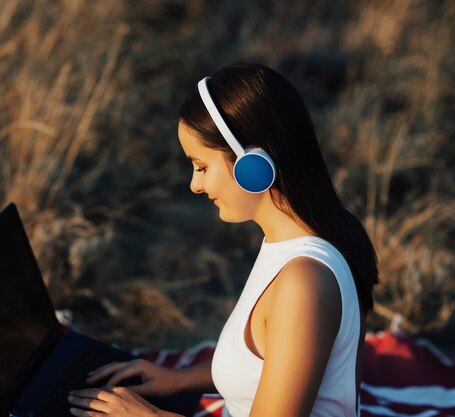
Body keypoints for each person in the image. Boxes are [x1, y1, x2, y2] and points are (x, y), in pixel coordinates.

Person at [67, 63, 379, 417]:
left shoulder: (304, 281)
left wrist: (145, 415)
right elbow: (273, 363)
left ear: (252, 165)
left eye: (201, 166)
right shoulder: (307, 241)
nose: (194, 185)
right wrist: (178, 380)